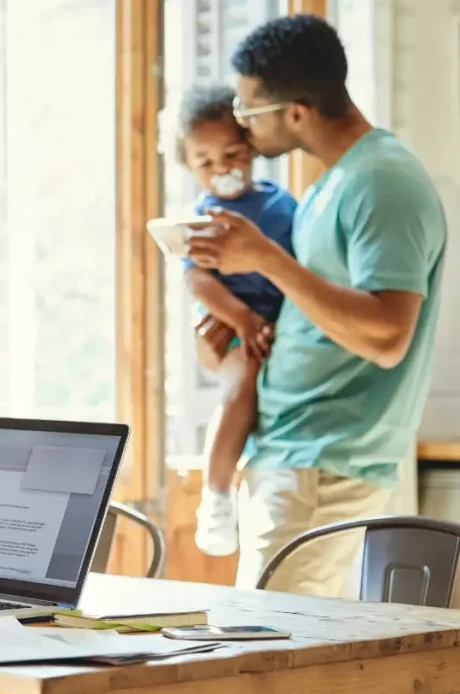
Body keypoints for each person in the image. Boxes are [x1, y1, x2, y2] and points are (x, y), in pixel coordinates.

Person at [187, 14, 446, 597]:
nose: (242, 130)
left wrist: (265, 259)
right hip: (292, 452)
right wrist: (231, 339)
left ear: (296, 113)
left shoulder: (384, 183)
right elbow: (320, 314)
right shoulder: (336, 182)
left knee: (266, 668)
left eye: (250, 112)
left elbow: (386, 337)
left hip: (322, 460)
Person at [174, 83, 296, 557]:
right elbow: (198, 283)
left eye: (232, 153)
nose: (222, 168)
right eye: (205, 162)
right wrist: (243, 320)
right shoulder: (206, 217)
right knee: (240, 388)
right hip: (234, 328)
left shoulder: (282, 206)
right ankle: (216, 498)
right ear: (189, 167)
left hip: (278, 326)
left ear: (251, 147)